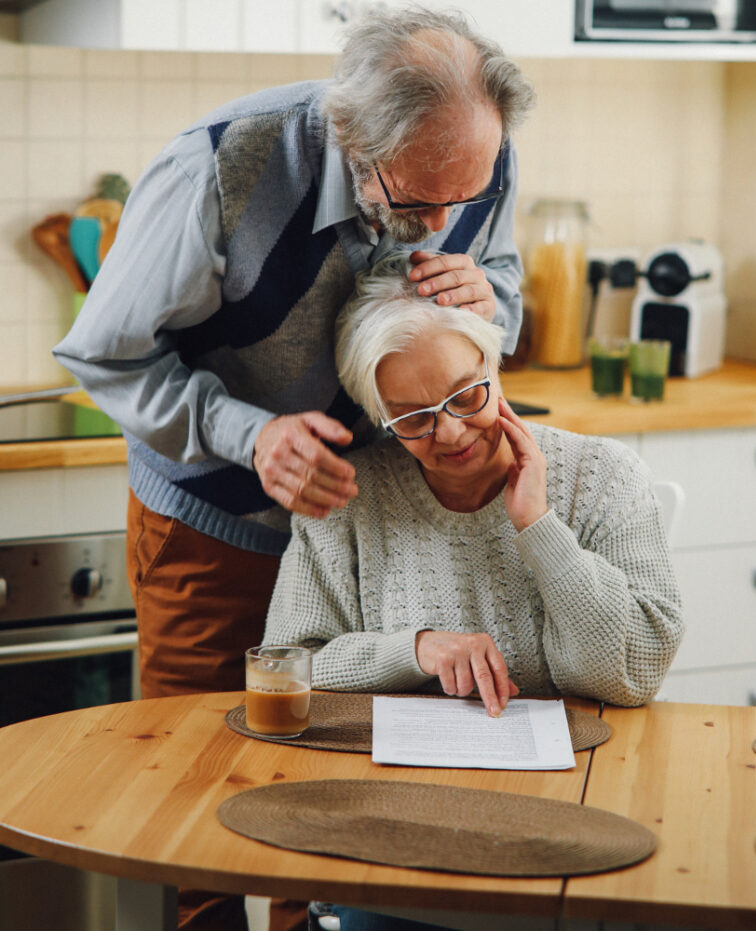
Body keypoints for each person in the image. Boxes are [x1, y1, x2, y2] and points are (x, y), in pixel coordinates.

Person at [52, 6, 534, 929]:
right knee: (200, 806)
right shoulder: (222, 167)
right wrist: (249, 434)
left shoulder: (472, 157)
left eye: (460, 202)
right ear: (352, 135)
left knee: (343, 798)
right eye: (415, 198)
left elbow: (496, 284)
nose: (439, 225)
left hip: (383, 530)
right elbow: (104, 357)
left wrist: (493, 296)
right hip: (217, 524)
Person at [265, 252, 684, 713]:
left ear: (493, 362)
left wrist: (539, 528)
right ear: (379, 415)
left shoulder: (606, 475)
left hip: (581, 768)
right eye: (411, 418)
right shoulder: (345, 496)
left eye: (466, 396)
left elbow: (636, 673)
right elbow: (287, 665)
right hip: (396, 776)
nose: (450, 432)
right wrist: (415, 651)